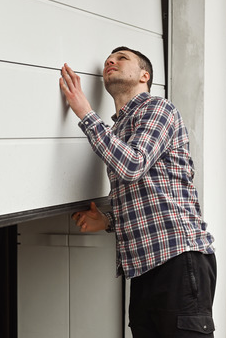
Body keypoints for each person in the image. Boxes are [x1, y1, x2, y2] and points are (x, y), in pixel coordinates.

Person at [59, 46, 216, 337]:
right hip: (143, 268)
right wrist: (107, 222)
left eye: (122, 58)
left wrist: (84, 112)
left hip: (178, 260)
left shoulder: (158, 109)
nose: (111, 61)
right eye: (109, 58)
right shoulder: (116, 132)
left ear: (144, 75)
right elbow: (147, 199)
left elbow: (133, 164)